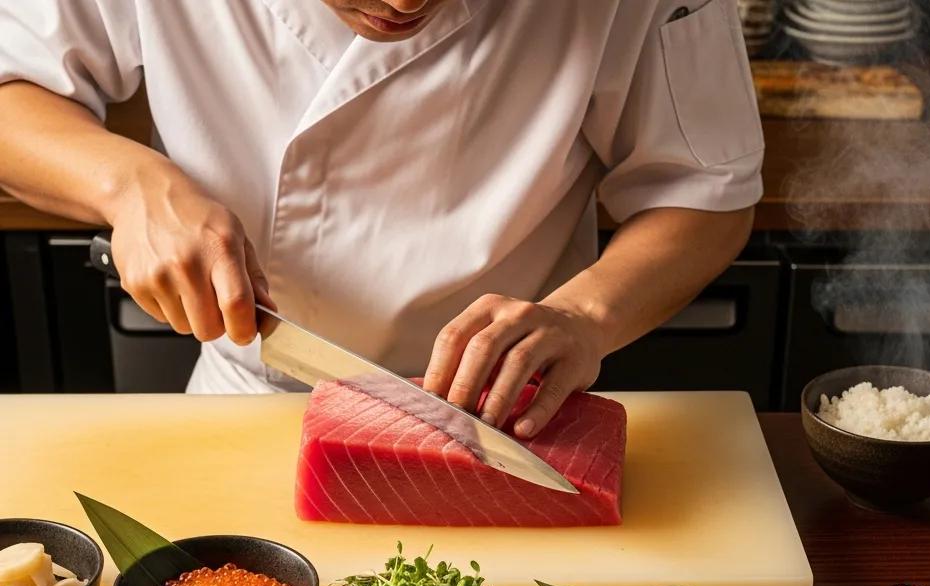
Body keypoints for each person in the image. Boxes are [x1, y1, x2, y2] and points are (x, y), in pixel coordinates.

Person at [0, 0, 763, 437]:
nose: (402, 1)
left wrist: (584, 317)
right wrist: (129, 185)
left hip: (505, 417)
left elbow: (704, 188)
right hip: (250, 406)